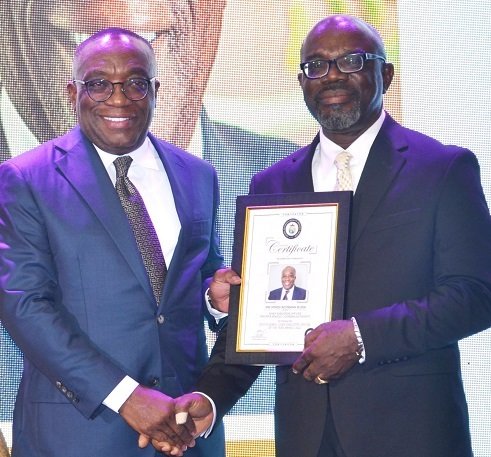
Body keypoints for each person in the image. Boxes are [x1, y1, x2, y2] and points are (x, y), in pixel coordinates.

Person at [155, 14, 491, 457]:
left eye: (351, 61)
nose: (332, 76)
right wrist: (211, 398)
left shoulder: (442, 168)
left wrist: (361, 337)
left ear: (384, 74)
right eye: (316, 66)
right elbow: (259, 323)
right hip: (306, 436)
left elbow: (476, 294)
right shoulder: (270, 184)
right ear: (301, 82)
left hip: (413, 431)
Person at [0, 28, 227, 457]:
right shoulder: (26, 179)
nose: (118, 98)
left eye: (136, 83)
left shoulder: (199, 175)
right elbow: (25, 305)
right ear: (73, 92)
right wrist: (127, 395)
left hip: (186, 432)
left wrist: (215, 296)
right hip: (79, 434)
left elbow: (200, 273)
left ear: (155, 90)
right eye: (99, 83)